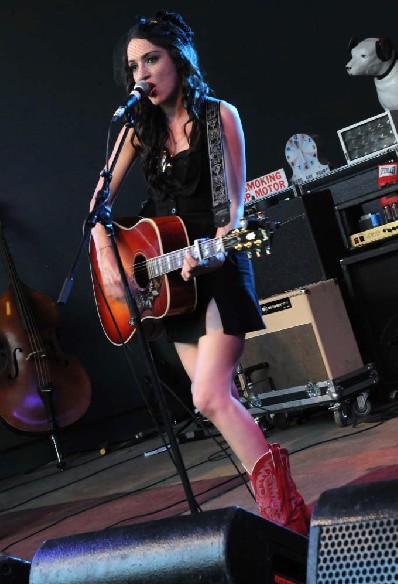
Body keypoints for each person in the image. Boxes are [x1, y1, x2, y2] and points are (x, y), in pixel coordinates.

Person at [89, 10, 310, 535]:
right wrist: (106, 256)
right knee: (220, 403)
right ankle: (286, 515)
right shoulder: (135, 132)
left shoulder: (218, 117)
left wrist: (210, 250)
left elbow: (232, 215)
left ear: (178, 59)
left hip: (216, 268)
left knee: (209, 397)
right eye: (133, 66)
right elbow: (98, 203)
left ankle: (288, 520)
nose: (142, 73)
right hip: (172, 288)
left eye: (152, 58)